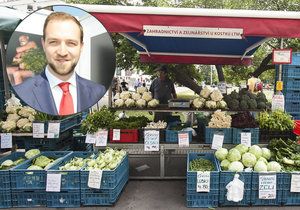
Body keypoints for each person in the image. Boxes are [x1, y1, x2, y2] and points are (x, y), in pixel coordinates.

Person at [13, 12, 106, 116]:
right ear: (44, 44)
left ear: (81, 47)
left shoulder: (97, 91)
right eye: (54, 42)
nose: (62, 52)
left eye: (71, 43)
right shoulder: (21, 92)